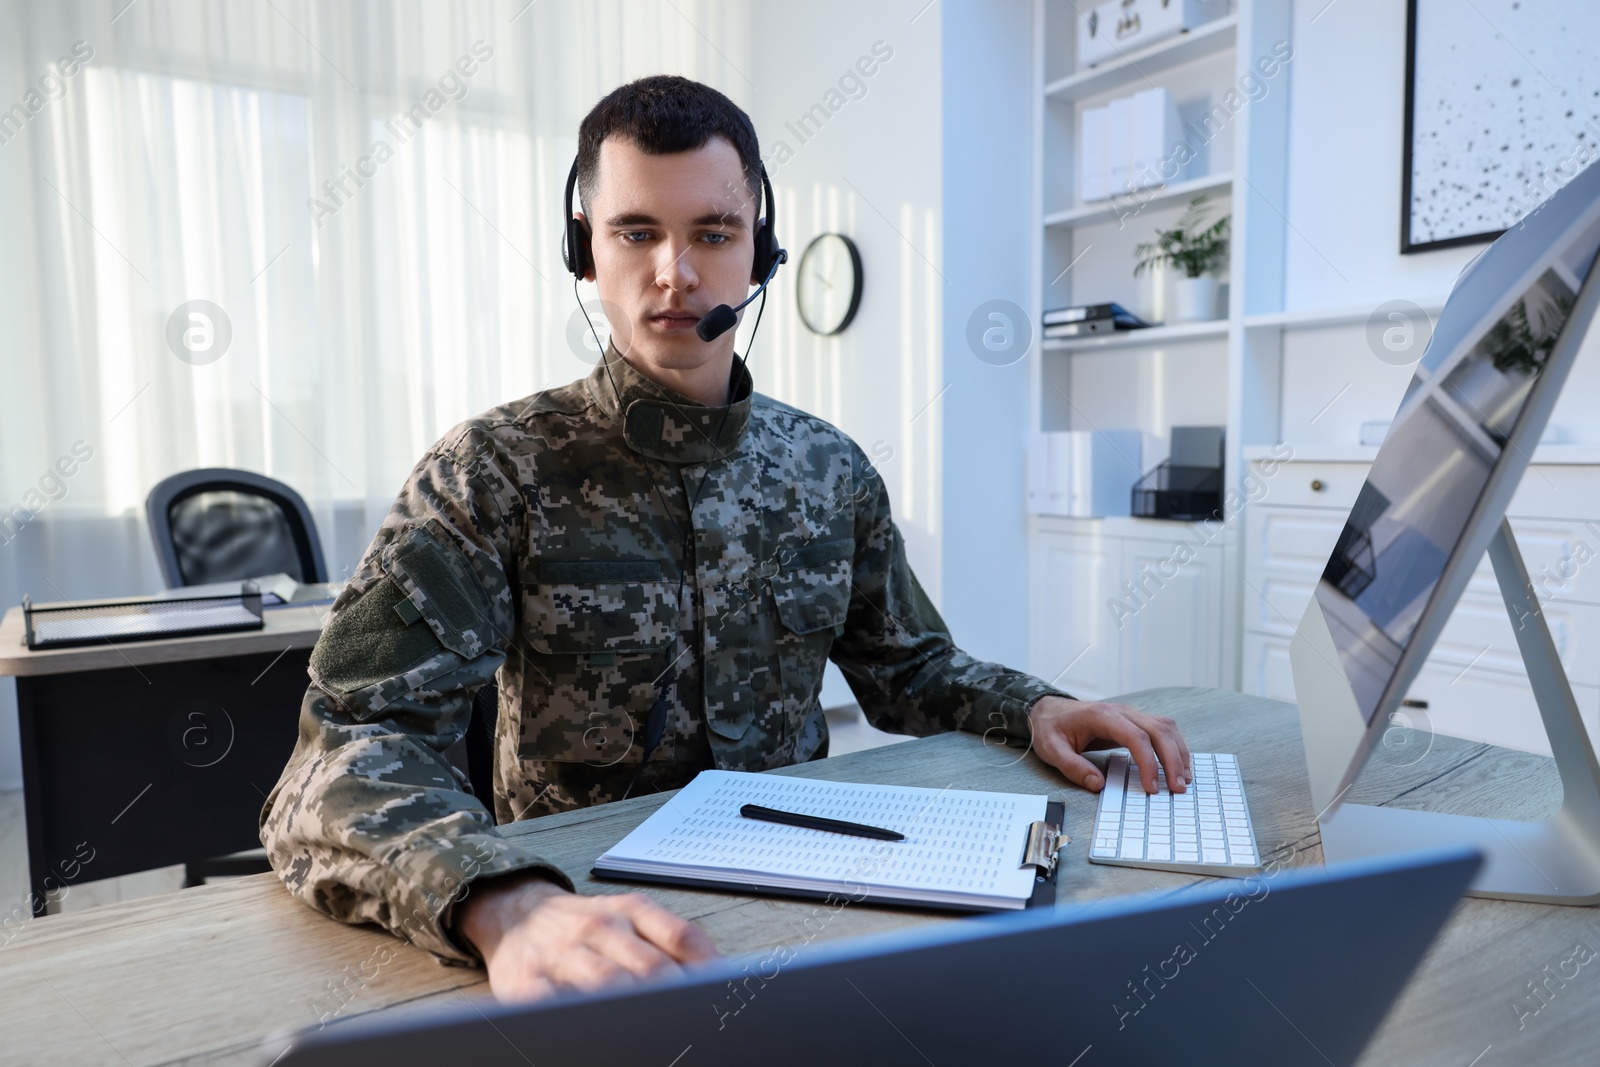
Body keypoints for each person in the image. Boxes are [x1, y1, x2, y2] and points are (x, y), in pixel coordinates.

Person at [260, 73, 1193, 1005]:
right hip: (588, 929)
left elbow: (910, 668)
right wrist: (503, 903)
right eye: (636, 233)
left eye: (713, 232)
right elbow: (344, 750)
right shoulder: (491, 471)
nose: (676, 272)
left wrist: (1032, 706)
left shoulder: (829, 469)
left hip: (808, 913)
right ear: (583, 251)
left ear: (760, 252)